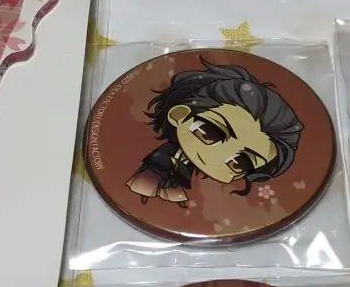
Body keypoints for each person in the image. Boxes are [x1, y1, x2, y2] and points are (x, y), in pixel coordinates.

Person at [126, 57, 303, 206]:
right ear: (179, 114)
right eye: (209, 133)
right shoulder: (165, 154)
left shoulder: (220, 200)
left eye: (239, 162)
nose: (218, 154)